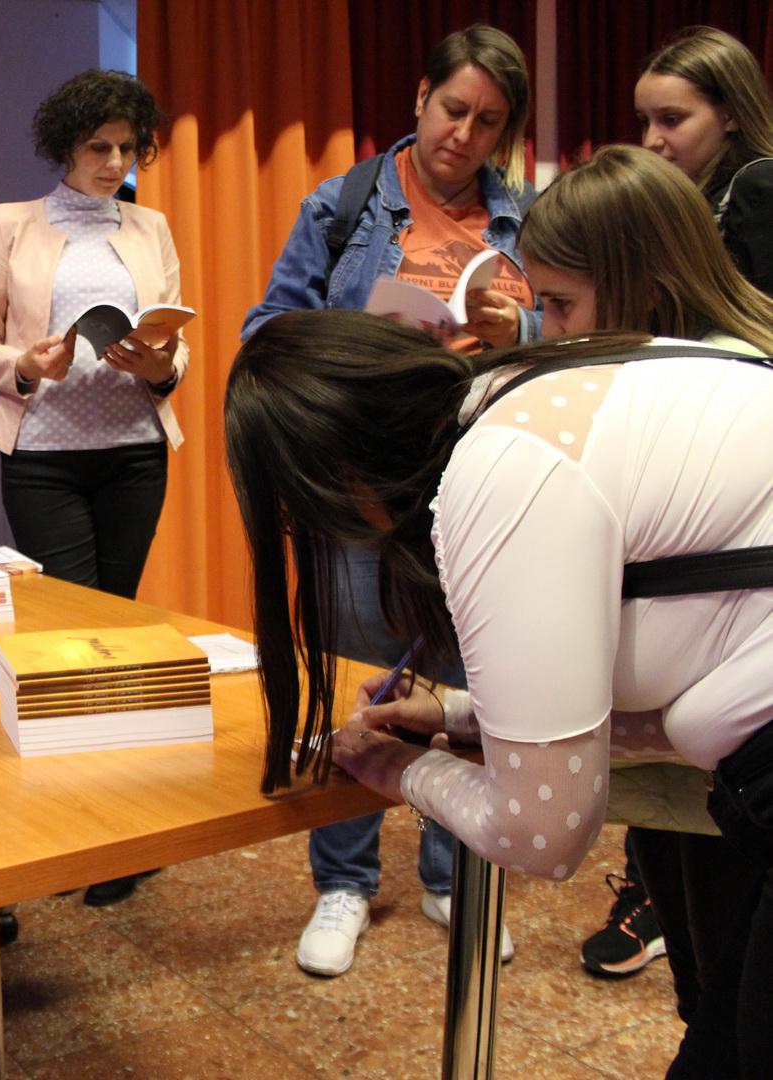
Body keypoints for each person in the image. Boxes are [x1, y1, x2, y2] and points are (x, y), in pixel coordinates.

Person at [225, 226, 773, 1075]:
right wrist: (459, 715)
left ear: (343, 483)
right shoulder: (527, 393)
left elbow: (545, 832)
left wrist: (398, 771)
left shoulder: (498, 474)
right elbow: (646, 683)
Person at [240, 23, 537, 977]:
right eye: (453, 109)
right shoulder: (343, 204)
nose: (464, 135)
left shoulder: (527, 220)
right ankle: (344, 880)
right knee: (356, 676)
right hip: (361, 481)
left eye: (488, 122)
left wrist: (520, 329)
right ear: (419, 97)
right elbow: (266, 329)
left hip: (474, 478)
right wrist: (365, 341)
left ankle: (454, 870)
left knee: (460, 679)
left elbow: (572, 336)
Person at [518, 145, 773, 1013]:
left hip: (741, 766)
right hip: (706, 763)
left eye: (560, 305)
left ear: (644, 291)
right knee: (709, 987)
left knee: (724, 998)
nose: (549, 331)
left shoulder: (708, 396)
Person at [0, 69, 188, 912]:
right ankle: (66, 825)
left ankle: (116, 833)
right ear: (66, 145)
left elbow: (176, 342)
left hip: (135, 455)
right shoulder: (9, 224)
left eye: (129, 149)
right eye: (100, 147)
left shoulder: (150, 225)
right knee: (71, 638)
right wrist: (26, 363)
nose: (116, 163)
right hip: (44, 457)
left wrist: (159, 363)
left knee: (116, 632)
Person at [637, 25, 773, 296]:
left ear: (730, 115)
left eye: (671, 119)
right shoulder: (682, 197)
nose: (650, 141)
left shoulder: (759, 187)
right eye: (644, 122)